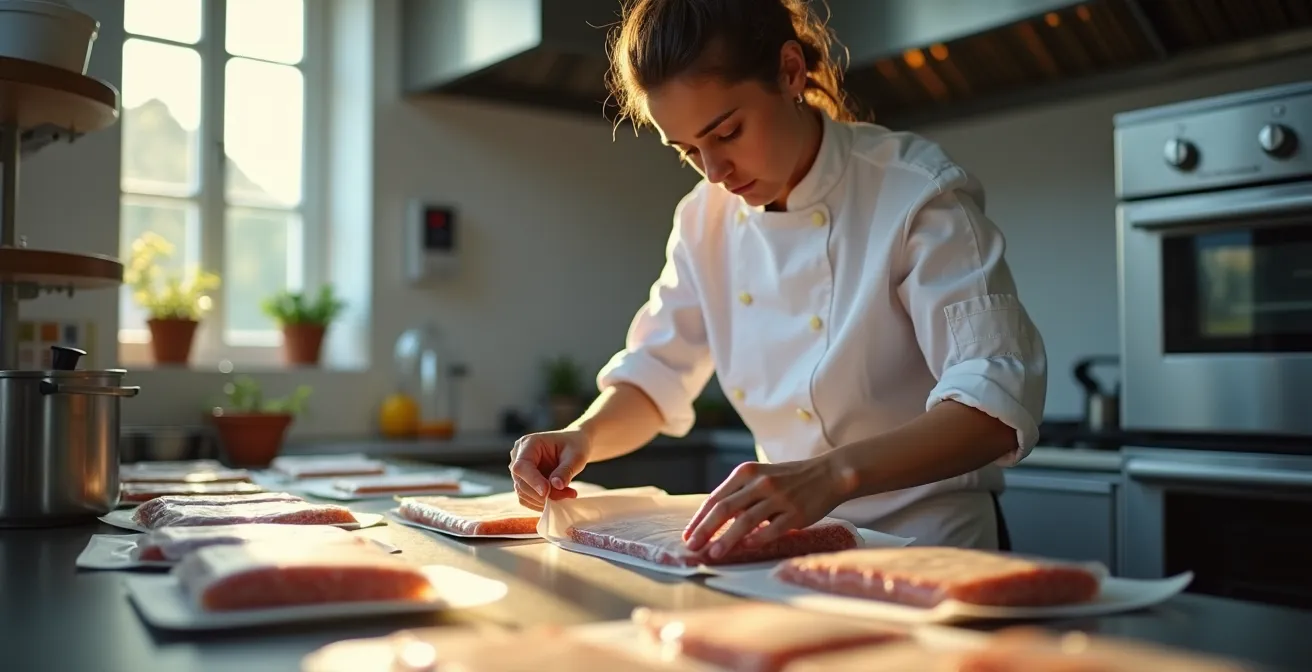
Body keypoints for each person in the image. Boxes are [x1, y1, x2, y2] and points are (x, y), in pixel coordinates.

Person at [509, 0, 1046, 555]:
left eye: (728, 132)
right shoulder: (703, 218)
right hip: (793, 544)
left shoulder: (913, 190)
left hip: (932, 544)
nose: (715, 172)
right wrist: (583, 435)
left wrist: (831, 475)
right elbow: (656, 372)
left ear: (790, 72)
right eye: (688, 150)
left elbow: (996, 401)